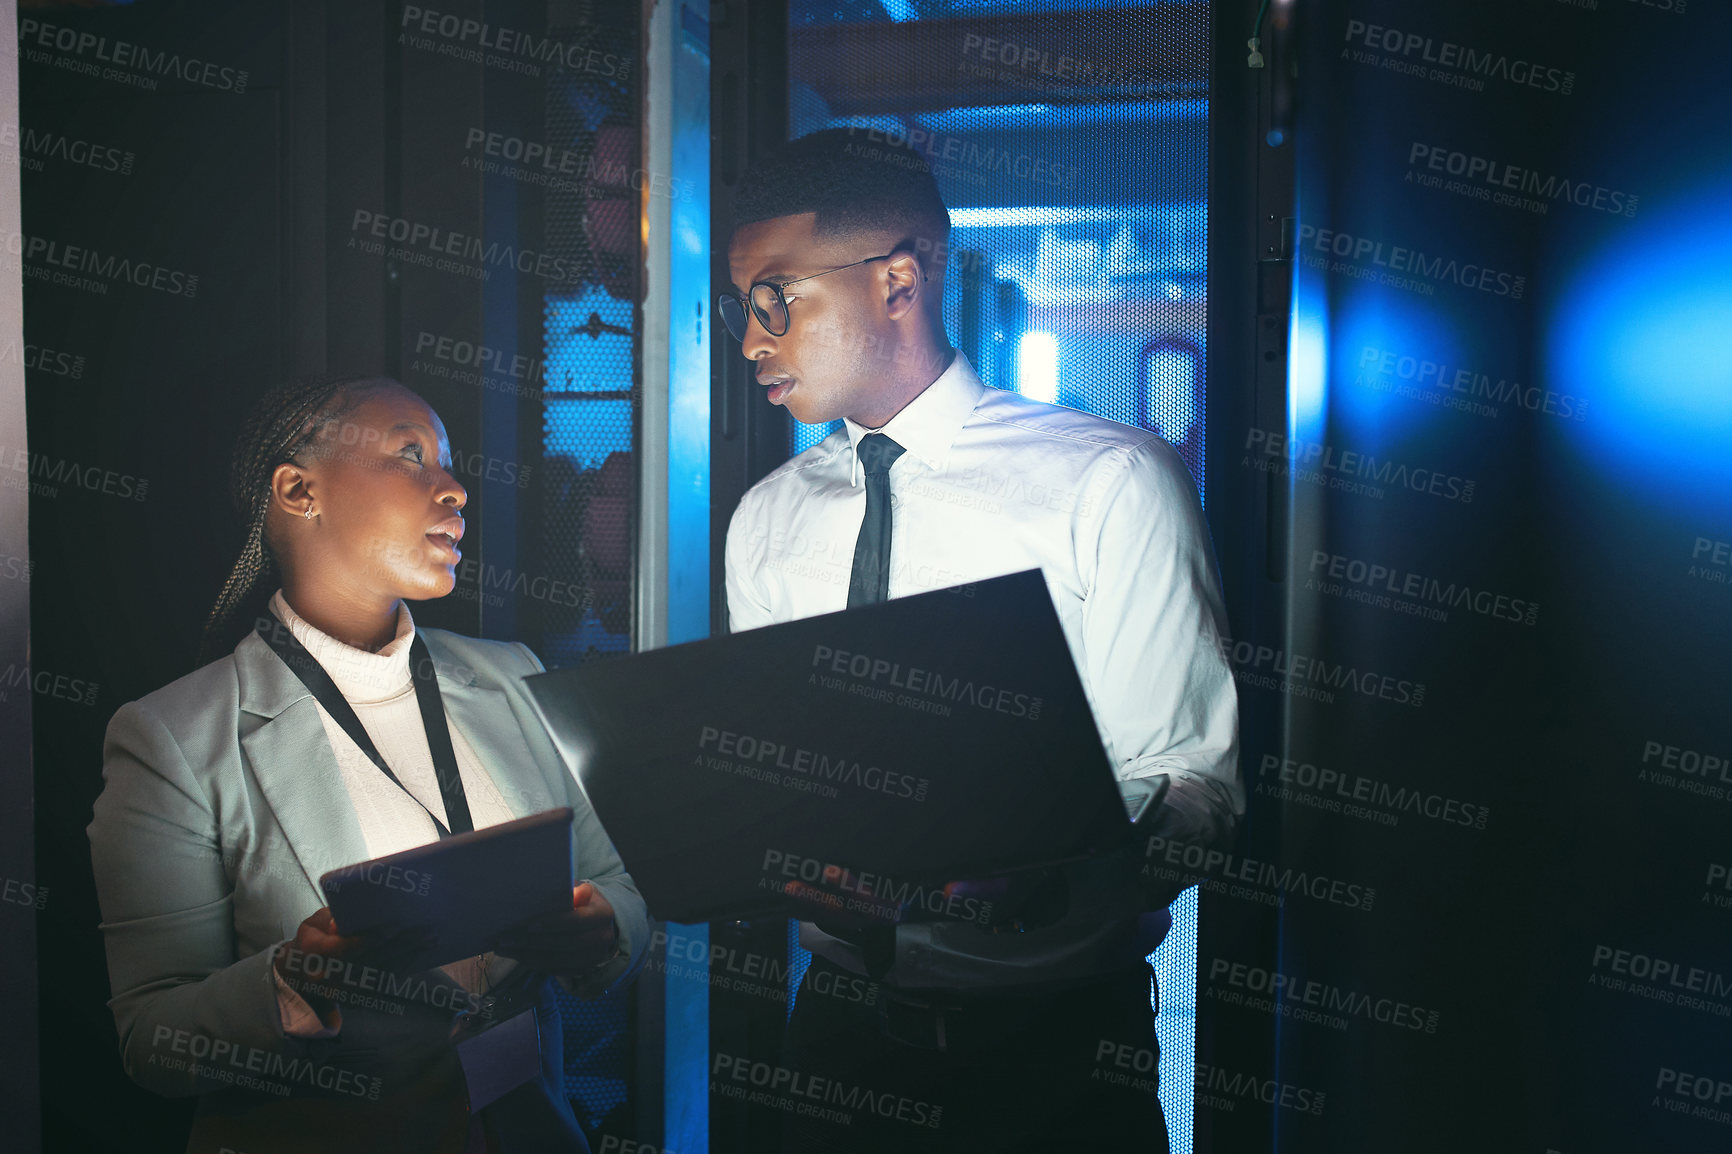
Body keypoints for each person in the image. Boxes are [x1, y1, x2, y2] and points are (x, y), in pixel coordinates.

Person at [721, 129, 1241, 1152]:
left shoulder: (1107, 480)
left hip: (1050, 1052)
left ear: (897, 280)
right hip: (833, 1037)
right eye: (741, 308)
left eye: (774, 300)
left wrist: (1031, 861)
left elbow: (1197, 791)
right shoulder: (767, 516)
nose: (750, 340)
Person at [87, 375, 648, 1154]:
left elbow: (617, 885)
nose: (454, 488)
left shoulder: (513, 677)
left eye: (449, 463)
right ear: (298, 490)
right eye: (410, 455)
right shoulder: (173, 738)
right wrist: (295, 984)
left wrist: (603, 927)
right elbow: (151, 1039)